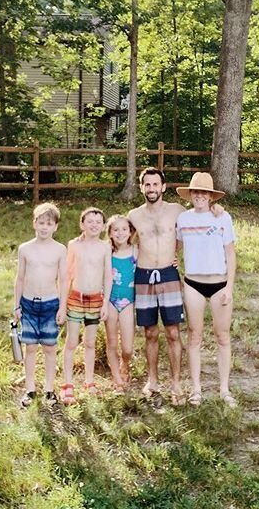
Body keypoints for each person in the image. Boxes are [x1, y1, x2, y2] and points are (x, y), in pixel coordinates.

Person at [176, 172, 237, 408]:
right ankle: (196, 389)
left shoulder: (223, 218)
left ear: (211, 196)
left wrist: (229, 287)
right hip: (193, 283)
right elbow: (176, 247)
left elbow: (231, 254)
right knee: (194, 336)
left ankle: (224, 389)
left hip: (220, 283)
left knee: (222, 336)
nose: (200, 196)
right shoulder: (183, 219)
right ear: (190, 195)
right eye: (196, 192)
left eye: (204, 192)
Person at [127, 167, 188, 405]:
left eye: (155, 184)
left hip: (169, 275)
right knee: (150, 332)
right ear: (141, 187)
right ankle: (152, 380)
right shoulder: (134, 215)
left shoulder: (177, 211)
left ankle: (176, 383)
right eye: (147, 185)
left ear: (163, 187)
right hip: (143, 276)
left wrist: (176, 254)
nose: (151, 189)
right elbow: (121, 240)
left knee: (173, 332)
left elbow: (194, 225)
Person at [13, 202, 68, 408]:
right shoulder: (25, 249)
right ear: (34, 223)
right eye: (41, 222)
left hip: (50, 304)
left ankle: (49, 389)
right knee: (30, 347)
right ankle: (29, 389)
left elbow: (63, 280)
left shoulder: (60, 250)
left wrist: (62, 307)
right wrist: (16, 306)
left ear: (56, 227)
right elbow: (19, 278)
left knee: (50, 348)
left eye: (49, 223)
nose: (45, 227)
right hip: (28, 303)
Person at [60, 207, 111, 404]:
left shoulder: (105, 247)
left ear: (103, 226)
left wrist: (105, 302)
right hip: (75, 298)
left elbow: (107, 275)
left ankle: (89, 381)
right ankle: (68, 384)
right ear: (82, 224)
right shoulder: (74, 245)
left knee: (90, 342)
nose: (94, 225)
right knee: (72, 341)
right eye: (90, 221)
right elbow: (67, 276)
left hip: (95, 299)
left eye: (98, 222)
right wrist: (62, 304)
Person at [105, 214, 137, 391]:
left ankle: (125, 364)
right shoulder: (106, 252)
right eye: (115, 229)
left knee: (127, 347)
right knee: (112, 342)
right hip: (110, 300)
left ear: (130, 231)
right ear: (109, 233)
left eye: (124, 229)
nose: (120, 233)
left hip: (128, 301)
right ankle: (116, 377)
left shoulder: (136, 251)